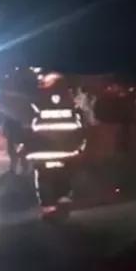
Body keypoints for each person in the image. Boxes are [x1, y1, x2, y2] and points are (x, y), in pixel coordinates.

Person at [27, 72, 86, 218]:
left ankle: (48, 207)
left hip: (42, 151)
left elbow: (28, 122)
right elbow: (81, 124)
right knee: (64, 174)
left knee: (44, 177)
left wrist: (25, 145)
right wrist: (80, 146)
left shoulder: (36, 101)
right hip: (67, 149)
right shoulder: (71, 101)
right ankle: (64, 197)